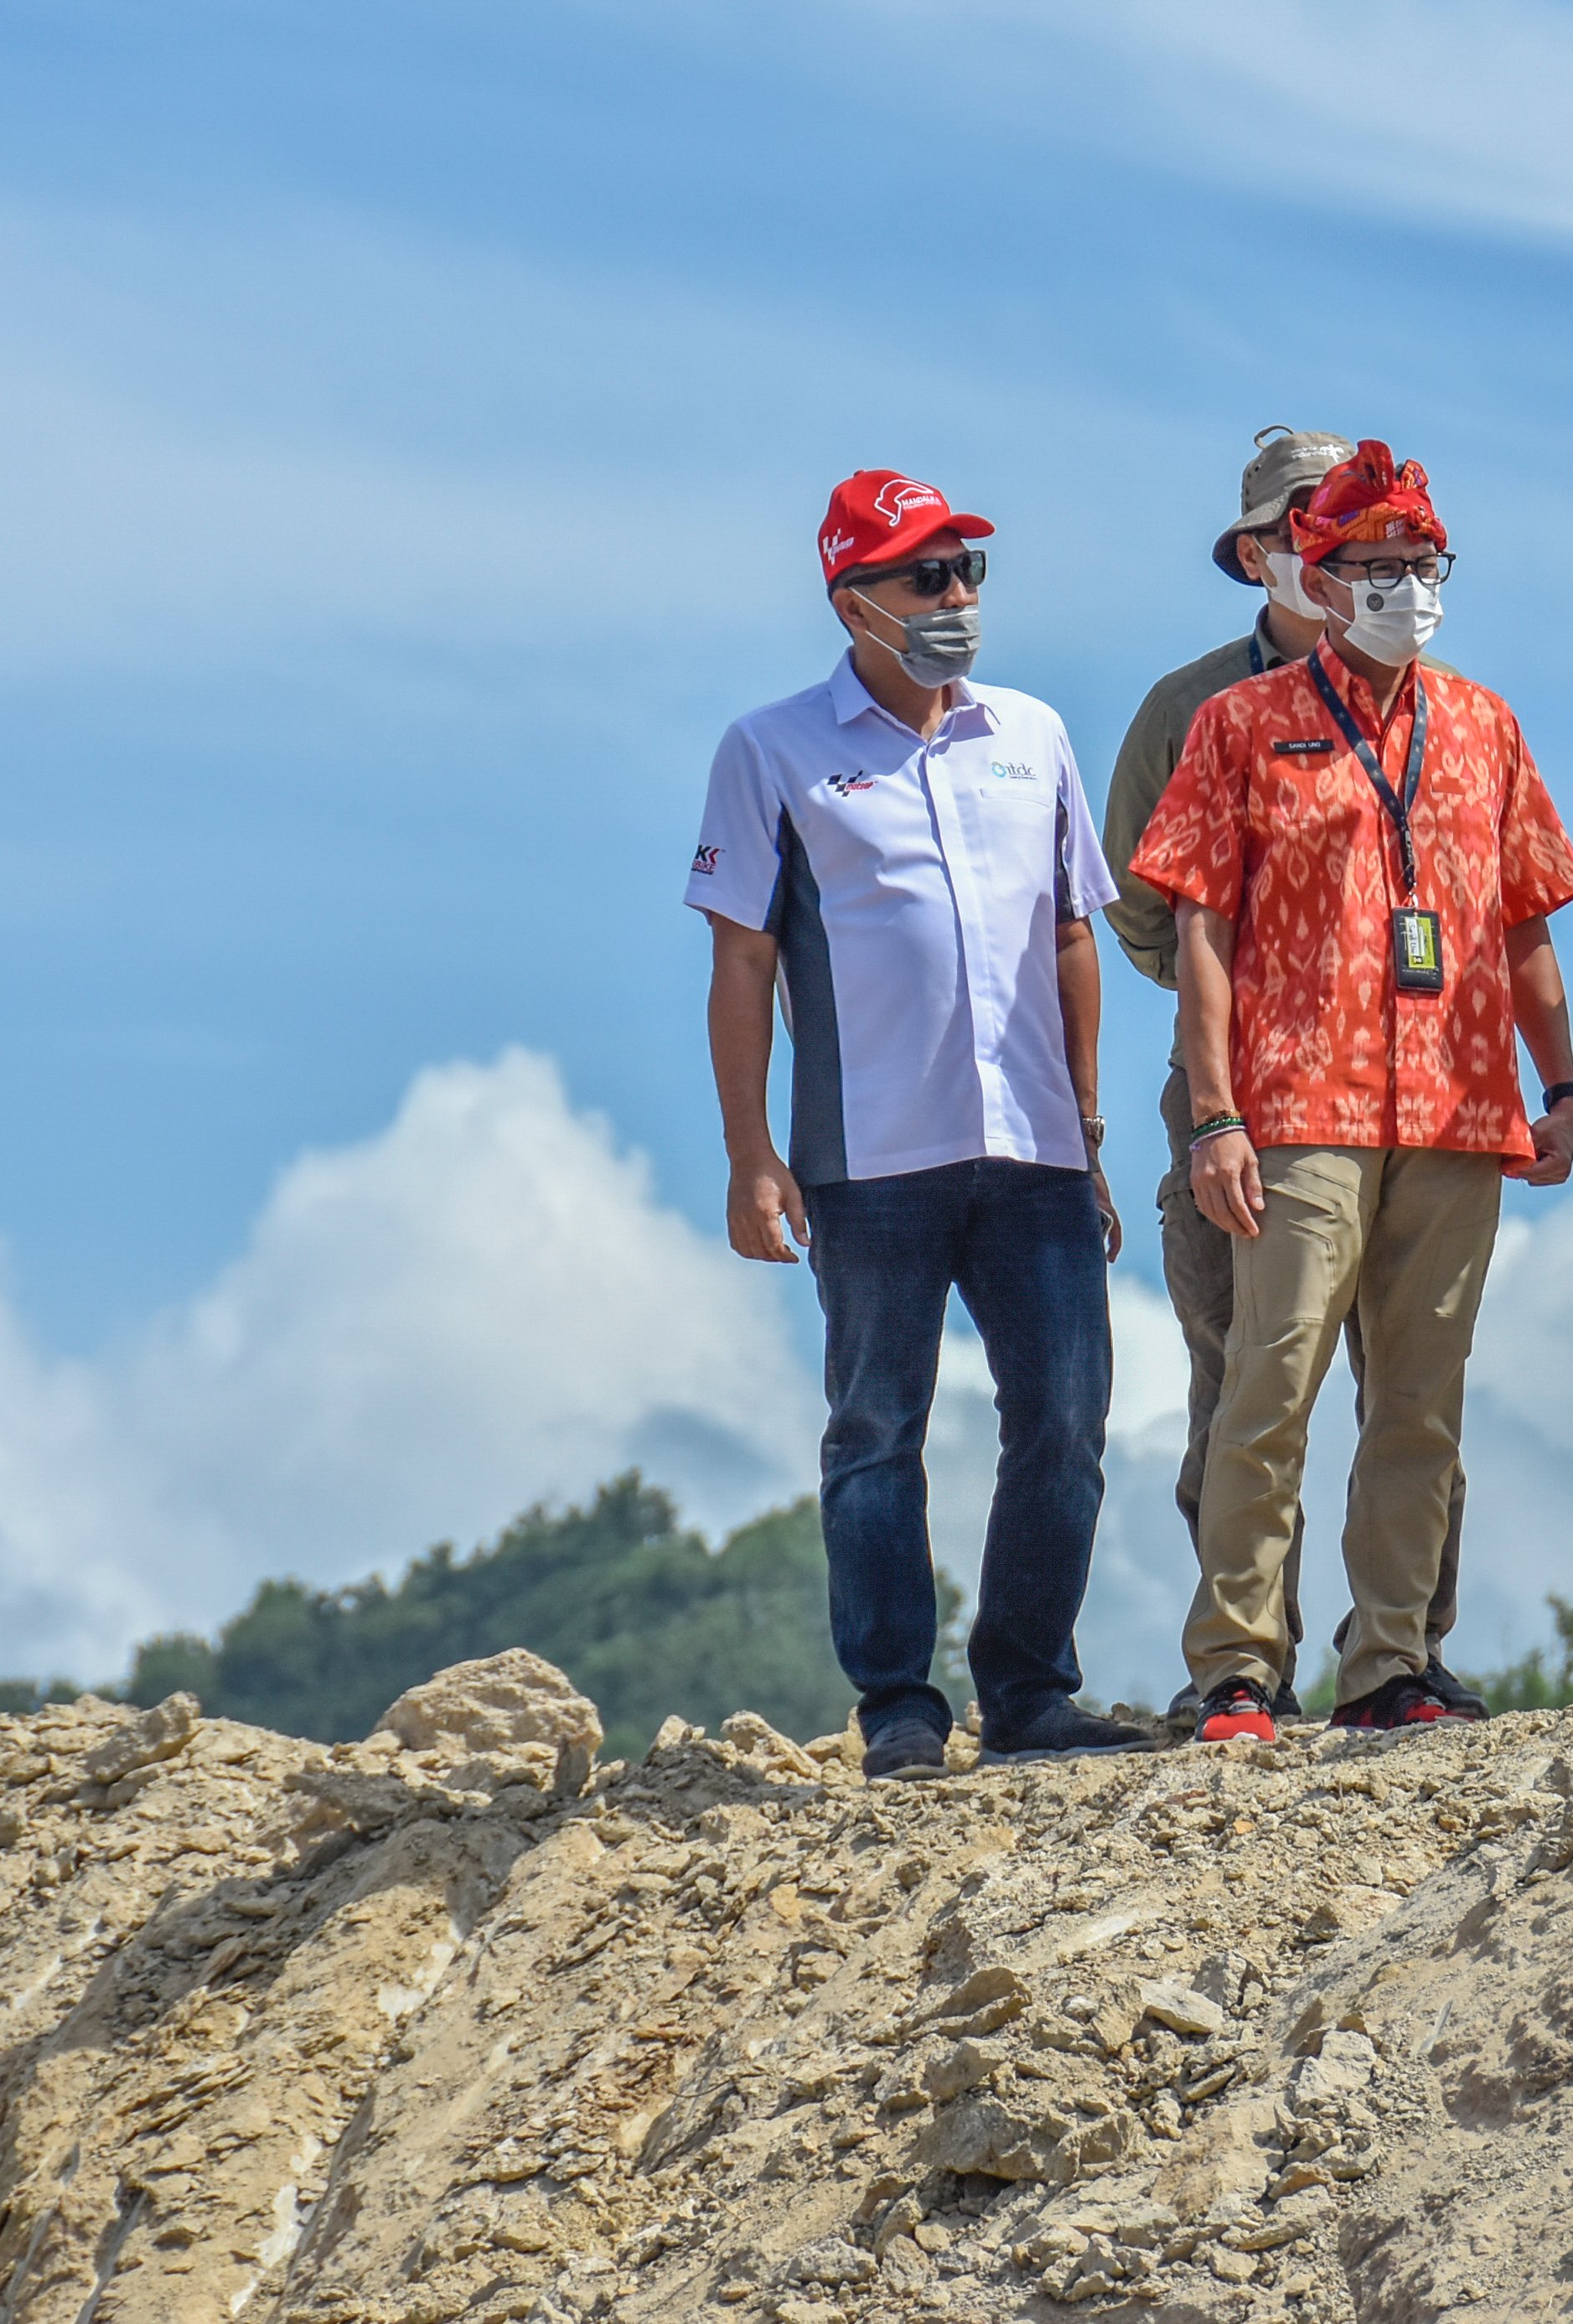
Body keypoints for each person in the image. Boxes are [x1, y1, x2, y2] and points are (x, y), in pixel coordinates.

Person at [687, 468, 1150, 1780]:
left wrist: (1095, 1130)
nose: (956, 600)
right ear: (854, 600)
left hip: (1039, 1148)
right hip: (867, 1156)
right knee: (875, 1425)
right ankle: (898, 1703)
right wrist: (749, 1156)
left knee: (1064, 1415)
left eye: (968, 575)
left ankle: (1030, 1693)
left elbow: (1073, 934)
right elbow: (741, 964)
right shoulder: (770, 750)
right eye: (925, 577)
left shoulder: (1034, 732)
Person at [1129, 442, 1573, 1740]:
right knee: (1268, 1386)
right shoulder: (1236, 722)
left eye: (1418, 565)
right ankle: (1237, 1663)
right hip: (1300, 1106)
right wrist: (1214, 1112)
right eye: (1373, 567)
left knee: (1420, 1403)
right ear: (1316, 581)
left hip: (1454, 1105)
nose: (1400, 587)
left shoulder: (1486, 723)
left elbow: (1526, 920)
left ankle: (1391, 1659)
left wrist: (1566, 1085)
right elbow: (1199, 930)